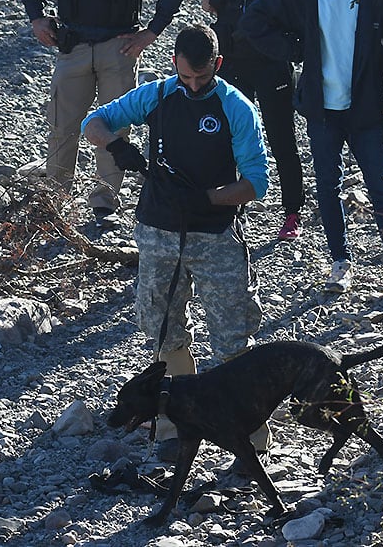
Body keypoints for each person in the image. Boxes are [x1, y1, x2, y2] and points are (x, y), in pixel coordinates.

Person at [81, 24, 270, 461]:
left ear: (217, 66)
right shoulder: (158, 94)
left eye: (202, 78)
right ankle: (175, 425)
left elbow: (255, 182)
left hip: (215, 236)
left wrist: (205, 198)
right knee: (162, 330)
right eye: (186, 77)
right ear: (174, 66)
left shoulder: (236, 108)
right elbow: (95, 121)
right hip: (158, 232)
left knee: (231, 339)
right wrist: (117, 147)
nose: (193, 85)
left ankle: (250, 440)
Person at [239, 0, 383, 294]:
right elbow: (253, 22)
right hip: (321, 108)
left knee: (380, 184)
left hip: (367, 105)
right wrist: (296, 48)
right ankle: (340, 262)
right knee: (326, 186)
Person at [19, 0, 190, 228]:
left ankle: (104, 202)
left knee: (114, 127)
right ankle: (56, 200)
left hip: (119, 46)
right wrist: (37, 17)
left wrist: (151, 32)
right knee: (63, 126)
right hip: (72, 45)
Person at [203, 0, 304, 241]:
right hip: (232, 62)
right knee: (233, 138)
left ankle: (291, 212)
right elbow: (216, 6)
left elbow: (299, 15)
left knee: (281, 138)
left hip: (272, 63)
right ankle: (234, 209)